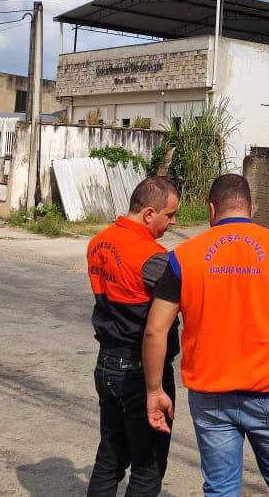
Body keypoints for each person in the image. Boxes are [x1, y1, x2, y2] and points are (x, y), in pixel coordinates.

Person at [143, 173, 269, 497]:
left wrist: (154, 390)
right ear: (251, 209)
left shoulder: (184, 257)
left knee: (221, 489)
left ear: (212, 210)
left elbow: (156, 329)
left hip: (211, 394)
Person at [86, 176, 181, 497]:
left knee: (110, 455)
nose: (174, 222)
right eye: (170, 215)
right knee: (147, 465)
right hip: (142, 372)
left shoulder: (98, 242)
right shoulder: (153, 258)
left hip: (106, 367)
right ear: (150, 213)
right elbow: (187, 303)